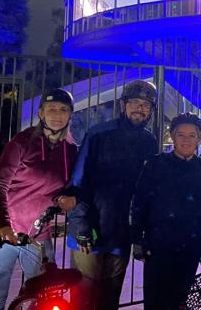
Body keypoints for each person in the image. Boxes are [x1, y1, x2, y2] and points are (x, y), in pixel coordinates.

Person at [0, 88, 78, 310]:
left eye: (63, 109)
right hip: (1, 233)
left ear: (70, 115)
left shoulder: (70, 150)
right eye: (51, 109)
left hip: (37, 233)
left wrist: (65, 198)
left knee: (46, 292)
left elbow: (69, 187)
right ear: (41, 113)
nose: (57, 114)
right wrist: (4, 225)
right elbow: (0, 185)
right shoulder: (22, 142)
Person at [66, 80, 158, 310]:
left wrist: (140, 233)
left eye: (146, 105)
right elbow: (78, 181)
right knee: (84, 300)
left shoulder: (149, 142)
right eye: (134, 102)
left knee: (110, 300)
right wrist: (80, 224)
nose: (140, 108)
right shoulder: (98, 134)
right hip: (90, 231)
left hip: (121, 235)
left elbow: (146, 191)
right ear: (123, 104)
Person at [129, 112, 201, 310]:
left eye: (192, 135)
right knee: (155, 299)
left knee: (181, 298)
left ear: (199, 138)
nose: (186, 140)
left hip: (191, 244)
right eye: (181, 135)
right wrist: (137, 238)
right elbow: (140, 202)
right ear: (172, 136)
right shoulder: (156, 165)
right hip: (158, 243)